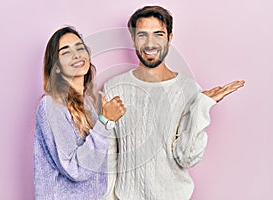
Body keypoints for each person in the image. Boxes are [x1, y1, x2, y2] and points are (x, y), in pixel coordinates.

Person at [103, 6, 245, 200]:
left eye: (158, 34)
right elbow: (110, 155)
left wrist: (201, 107)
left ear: (170, 38)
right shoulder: (114, 88)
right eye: (142, 35)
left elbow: (186, 158)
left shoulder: (188, 90)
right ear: (133, 39)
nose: (150, 43)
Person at [33, 26, 125, 199]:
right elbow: (75, 168)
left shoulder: (88, 105)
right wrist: (105, 121)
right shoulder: (50, 105)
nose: (76, 55)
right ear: (56, 67)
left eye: (80, 48)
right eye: (66, 52)